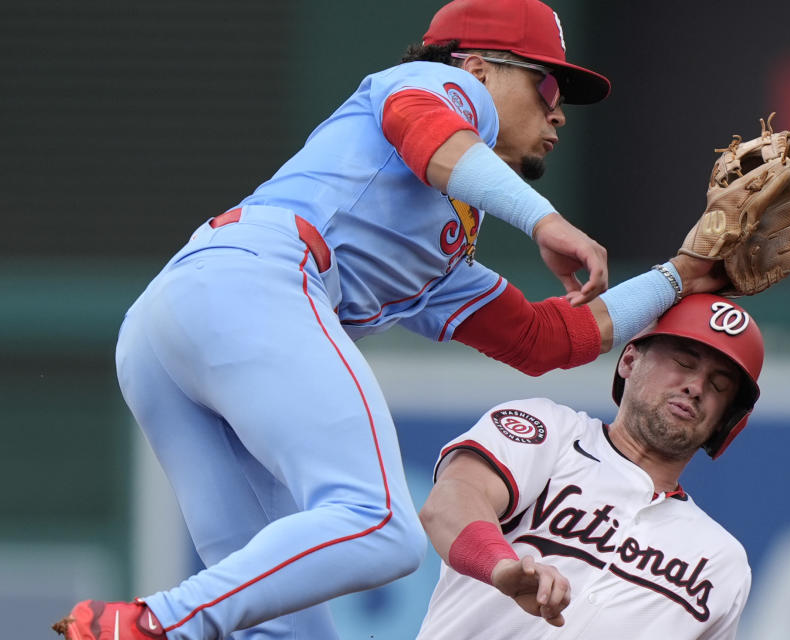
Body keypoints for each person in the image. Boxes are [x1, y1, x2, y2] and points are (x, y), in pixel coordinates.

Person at [53, 1, 726, 639]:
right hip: (257, 279)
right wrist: (542, 220)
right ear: (478, 67)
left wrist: (681, 274)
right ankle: (153, 624)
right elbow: (424, 131)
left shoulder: (440, 247)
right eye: (547, 86)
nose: (560, 113)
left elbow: (550, 338)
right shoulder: (437, 85)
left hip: (165, 330)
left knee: (279, 616)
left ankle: (159, 624)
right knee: (376, 523)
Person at [416, 293, 763, 639]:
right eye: (684, 363)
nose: (696, 386)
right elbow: (450, 502)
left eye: (719, 385)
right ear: (629, 360)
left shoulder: (721, 562)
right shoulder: (551, 432)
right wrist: (500, 565)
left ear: (726, 420)